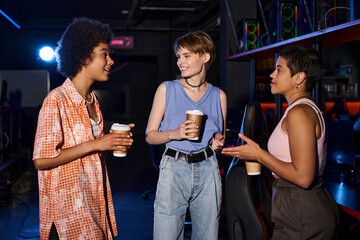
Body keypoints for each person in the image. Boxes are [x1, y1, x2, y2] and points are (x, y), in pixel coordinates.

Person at [222, 46, 340, 240]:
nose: (272, 74)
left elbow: (303, 177)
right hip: (299, 206)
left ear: (299, 78)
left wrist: (259, 154)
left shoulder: (299, 113)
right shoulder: (302, 109)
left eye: (279, 69)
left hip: (301, 210)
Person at [33, 17, 134, 240]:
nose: (111, 61)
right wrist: (98, 143)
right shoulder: (56, 100)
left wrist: (112, 140)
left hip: (94, 206)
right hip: (67, 216)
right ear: (82, 56)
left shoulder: (93, 101)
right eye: (104, 54)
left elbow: (90, 151)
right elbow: (41, 159)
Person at [145, 31, 227, 240]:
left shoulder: (219, 96)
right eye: (179, 57)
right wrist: (176, 133)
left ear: (205, 56)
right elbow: (150, 136)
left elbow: (220, 137)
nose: (180, 61)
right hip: (174, 166)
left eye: (187, 56)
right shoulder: (167, 89)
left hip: (208, 168)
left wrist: (217, 143)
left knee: (208, 235)